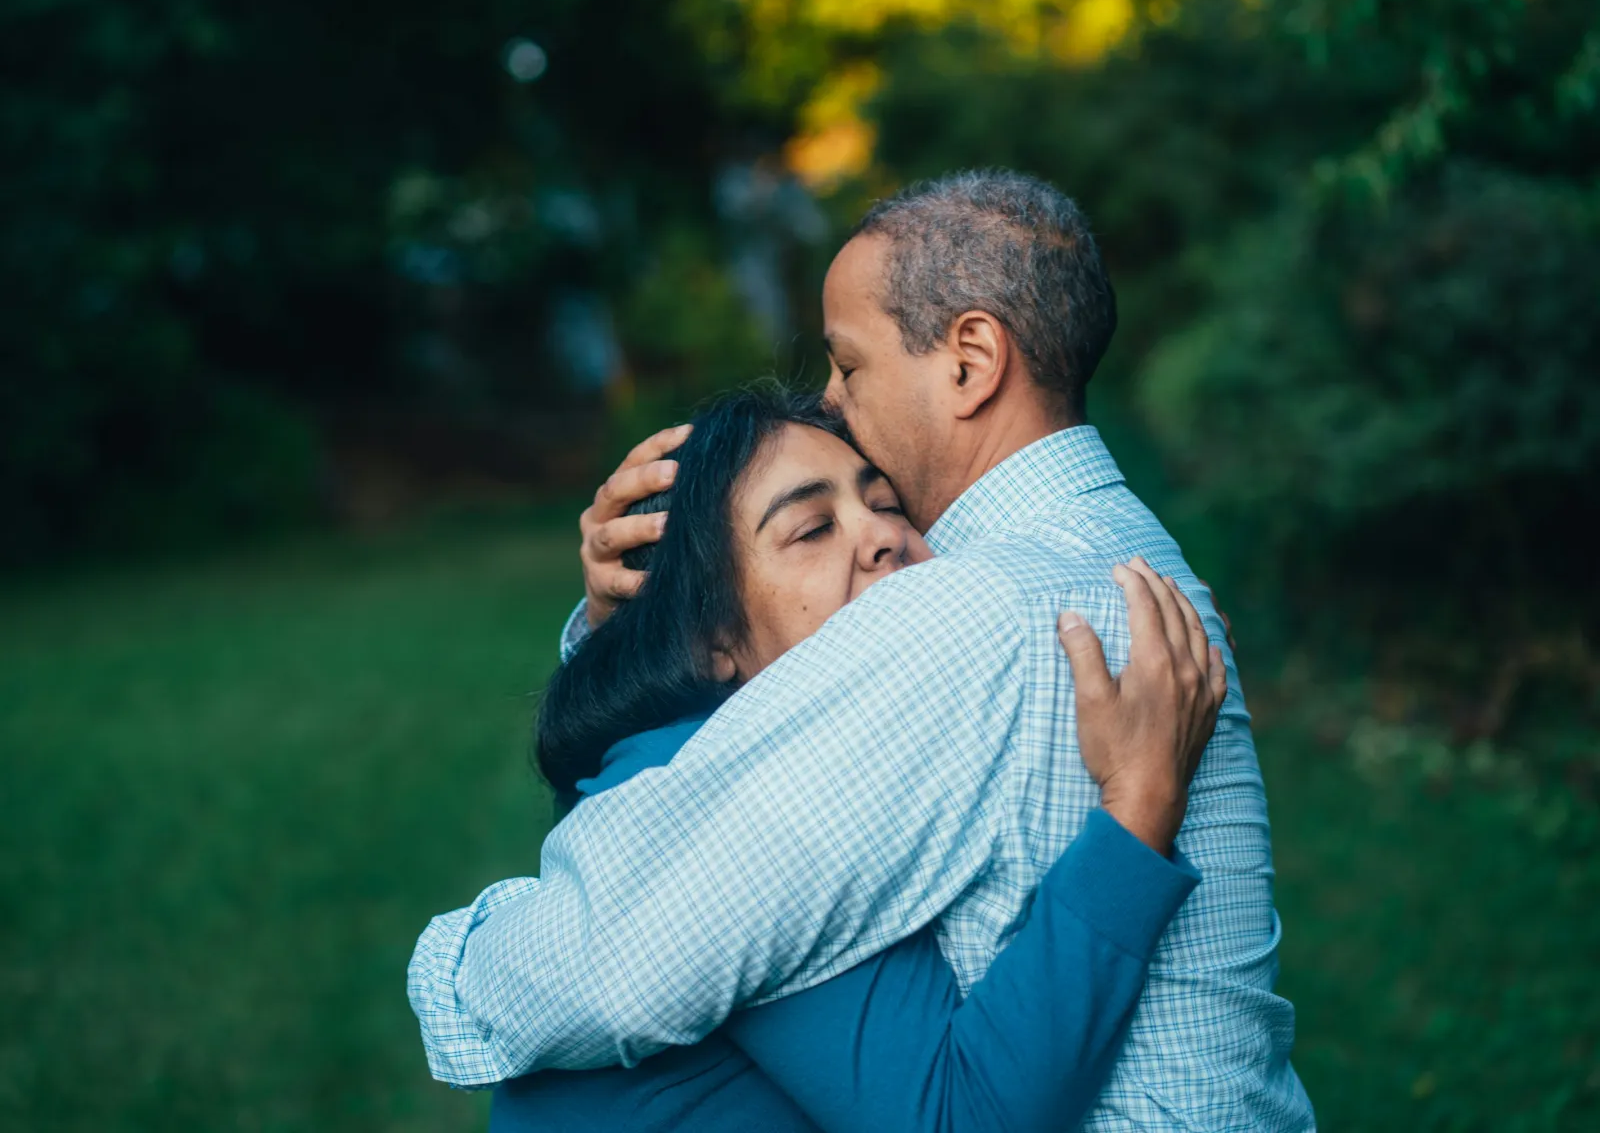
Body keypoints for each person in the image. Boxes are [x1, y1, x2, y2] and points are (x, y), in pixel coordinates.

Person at [410, 170, 1315, 1129]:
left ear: (970, 359)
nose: (835, 403)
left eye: (849, 365)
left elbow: (618, 958)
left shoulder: (969, 608)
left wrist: (456, 965)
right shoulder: (1125, 555)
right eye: (811, 527)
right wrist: (632, 620)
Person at [490, 386, 1222, 1131]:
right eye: (812, 529)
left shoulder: (749, 743)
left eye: (888, 504)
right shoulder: (747, 810)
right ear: (709, 641)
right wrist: (1139, 806)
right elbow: (960, 1115)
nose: (880, 535)